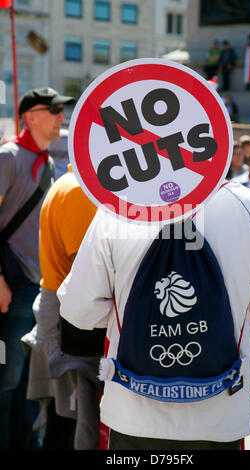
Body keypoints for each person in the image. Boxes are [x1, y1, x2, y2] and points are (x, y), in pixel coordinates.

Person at [57, 181, 250, 450]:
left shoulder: (119, 207)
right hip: (221, 416)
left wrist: (131, 315)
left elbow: (78, 311)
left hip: (133, 415)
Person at [0, 87, 75, 449]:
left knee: (29, 385)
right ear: (30, 116)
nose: (62, 116)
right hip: (11, 288)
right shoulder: (8, 157)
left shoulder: (44, 162)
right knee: (6, 382)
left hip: (39, 288)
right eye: (55, 109)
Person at [21, 164, 100, 450]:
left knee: (64, 420)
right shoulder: (81, 189)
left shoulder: (71, 182)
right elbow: (86, 270)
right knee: (72, 422)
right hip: (70, 316)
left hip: (61, 312)